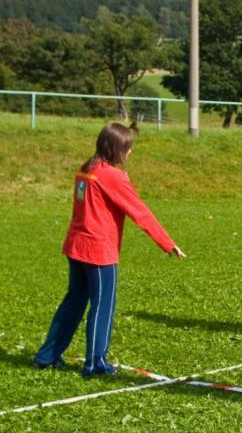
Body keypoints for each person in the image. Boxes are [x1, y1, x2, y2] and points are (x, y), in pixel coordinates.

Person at [34, 122, 186, 377]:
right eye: (127, 148)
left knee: (73, 302)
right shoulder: (113, 176)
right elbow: (140, 211)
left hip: (76, 246)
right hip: (98, 251)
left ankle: (47, 356)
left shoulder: (86, 170)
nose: (130, 153)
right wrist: (167, 242)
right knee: (103, 305)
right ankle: (95, 363)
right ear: (115, 148)